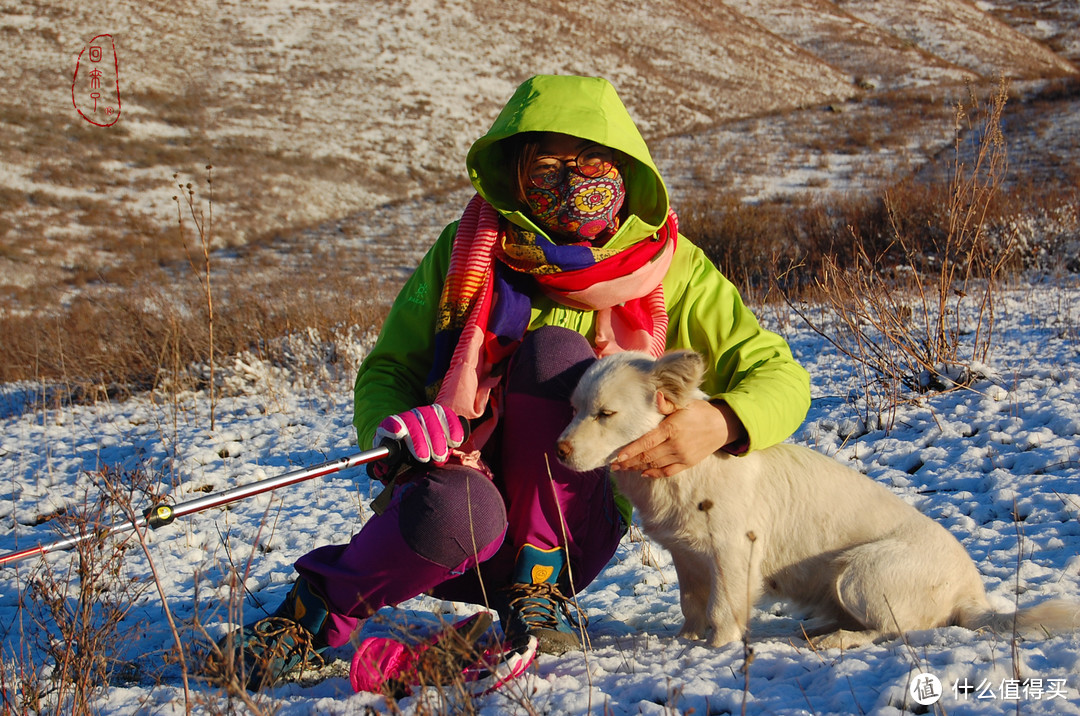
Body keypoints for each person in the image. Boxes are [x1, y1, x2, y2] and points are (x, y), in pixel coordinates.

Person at [218, 74, 811, 689]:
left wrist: (721, 421)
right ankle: (304, 619)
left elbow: (778, 375)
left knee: (555, 353)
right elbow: (390, 367)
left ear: (625, 169)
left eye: (590, 162)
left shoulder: (671, 264)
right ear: (515, 172)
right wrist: (394, 427)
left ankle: (538, 585)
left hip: (573, 524)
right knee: (450, 508)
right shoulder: (467, 247)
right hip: (458, 505)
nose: (571, 181)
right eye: (548, 164)